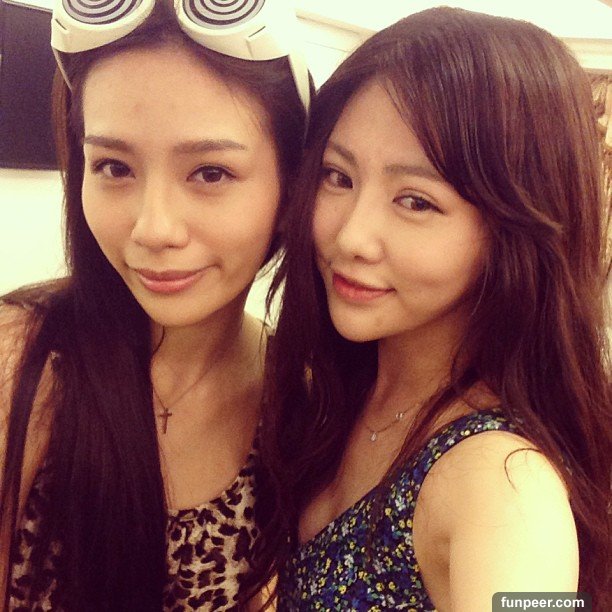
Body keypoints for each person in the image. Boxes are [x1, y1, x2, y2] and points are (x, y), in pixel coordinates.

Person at [261, 7, 611, 611]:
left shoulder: (506, 489)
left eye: (416, 201)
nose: (351, 236)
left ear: (512, 231)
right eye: (338, 176)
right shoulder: (344, 388)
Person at [0, 0, 309, 609]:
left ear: (292, 186)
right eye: (114, 166)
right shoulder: (24, 358)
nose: (153, 228)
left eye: (211, 173)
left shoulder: (299, 403)